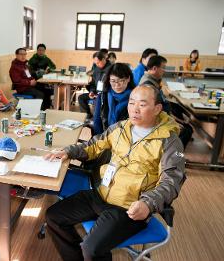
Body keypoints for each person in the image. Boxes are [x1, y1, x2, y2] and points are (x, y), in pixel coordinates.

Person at [44, 84, 186, 261]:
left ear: (157, 108)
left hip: (129, 208)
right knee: (54, 216)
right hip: (102, 193)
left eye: (142, 104)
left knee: (91, 248)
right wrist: (68, 152)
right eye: (131, 102)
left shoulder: (170, 142)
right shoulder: (121, 127)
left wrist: (148, 204)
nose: (134, 109)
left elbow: (171, 181)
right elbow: (94, 145)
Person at [139, 55, 194, 148]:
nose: (164, 70)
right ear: (154, 68)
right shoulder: (148, 85)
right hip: (157, 122)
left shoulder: (153, 81)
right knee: (187, 130)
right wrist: (173, 122)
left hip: (163, 116)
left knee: (179, 113)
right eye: (163, 68)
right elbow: (154, 112)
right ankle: (173, 157)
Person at [93, 63, 135, 135]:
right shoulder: (103, 96)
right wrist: (102, 140)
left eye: (121, 80)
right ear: (109, 80)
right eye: (113, 81)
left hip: (125, 140)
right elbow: (97, 121)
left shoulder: (136, 98)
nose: (117, 85)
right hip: (105, 137)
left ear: (128, 79)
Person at [78, 51, 111, 120]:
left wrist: (100, 94)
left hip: (105, 95)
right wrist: (92, 92)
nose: (97, 64)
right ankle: (88, 115)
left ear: (103, 59)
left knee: (98, 106)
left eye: (98, 62)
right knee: (81, 98)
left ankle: (97, 120)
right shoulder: (96, 70)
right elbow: (93, 83)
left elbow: (111, 87)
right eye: (95, 63)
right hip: (96, 93)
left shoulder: (111, 69)